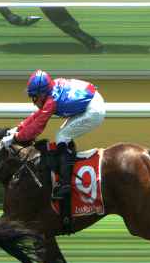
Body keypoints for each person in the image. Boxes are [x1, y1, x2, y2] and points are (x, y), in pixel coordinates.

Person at [8, 70, 106, 203]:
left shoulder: (51, 101)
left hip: (93, 110)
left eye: (34, 97)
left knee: (62, 135)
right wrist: (18, 129)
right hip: (90, 101)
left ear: (42, 94)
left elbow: (37, 127)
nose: (33, 101)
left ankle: (65, 184)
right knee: (63, 135)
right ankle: (69, 166)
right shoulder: (50, 91)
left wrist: (16, 138)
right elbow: (37, 115)